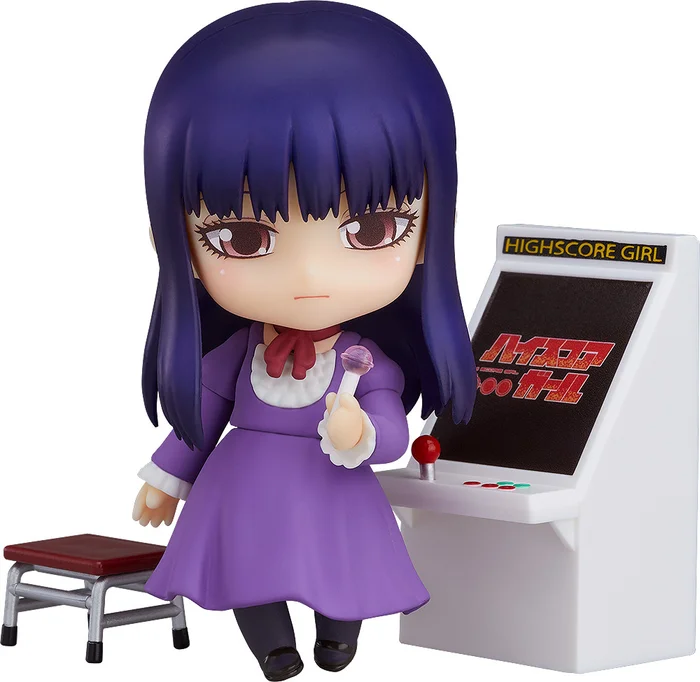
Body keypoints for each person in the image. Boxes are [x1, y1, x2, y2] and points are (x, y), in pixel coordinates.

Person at [131, 3, 476, 680]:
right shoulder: (238, 354)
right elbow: (200, 415)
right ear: (174, 242)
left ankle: (338, 638)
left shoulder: (367, 361)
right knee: (245, 569)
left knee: (344, 564)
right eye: (244, 237)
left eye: (371, 229)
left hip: (332, 487)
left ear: (432, 225)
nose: (310, 277)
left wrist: (360, 432)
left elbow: (390, 430)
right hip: (243, 489)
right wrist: (166, 479)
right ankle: (274, 648)